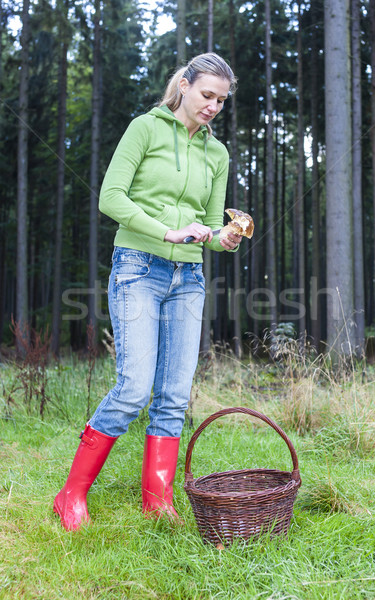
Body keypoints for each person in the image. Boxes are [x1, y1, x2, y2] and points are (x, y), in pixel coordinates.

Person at [53, 52, 242, 531]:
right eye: (206, 95)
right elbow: (110, 197)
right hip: (138, 267)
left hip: (189, 280)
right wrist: (166, 232)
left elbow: (214, 233)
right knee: (135, 386)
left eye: (221, 100)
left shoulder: (216, 154)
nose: (213, 106)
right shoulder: (146, 128)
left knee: (174, 394)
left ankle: (157, 501)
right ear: (183, 84)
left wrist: (227, 238)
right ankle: (71, 494)